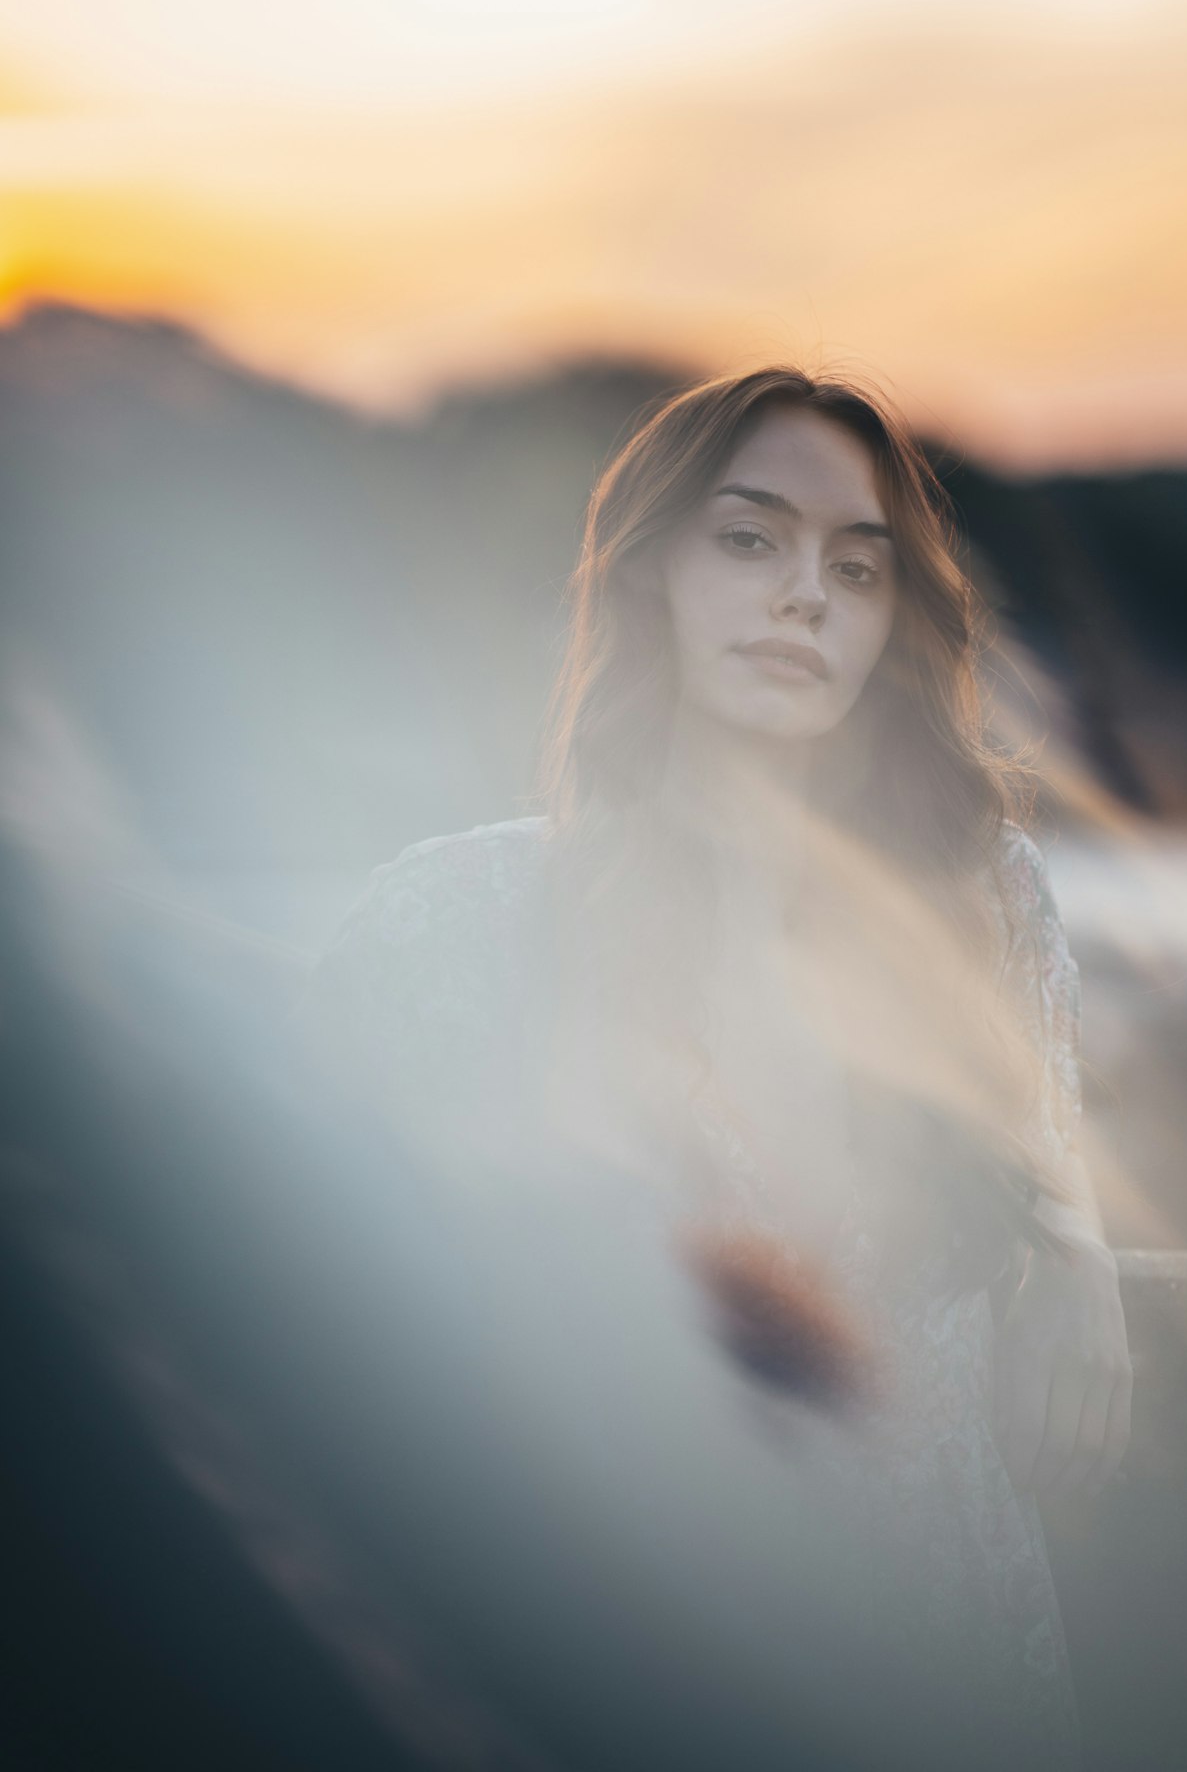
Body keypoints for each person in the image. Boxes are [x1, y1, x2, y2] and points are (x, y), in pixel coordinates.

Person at [313, 365, 1131, 1763]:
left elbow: (1048, 1163)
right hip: (619, 1676)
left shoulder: (985, 908)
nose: (805, 594)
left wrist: (1086, 1258)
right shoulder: (455, 919)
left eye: (857, 568)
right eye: (749, 540)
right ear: (651, 575)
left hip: (949, 1681)